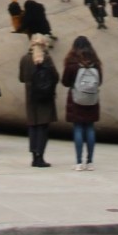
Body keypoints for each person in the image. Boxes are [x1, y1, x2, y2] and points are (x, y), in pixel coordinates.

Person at [62, 34, 102, 171]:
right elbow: (100, 81)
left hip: (76, 99)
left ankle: (79, 162)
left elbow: (65, 82)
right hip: (92, 100)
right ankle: (90, 162)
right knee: (90, 128)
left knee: (78, 128)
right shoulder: (95, 63)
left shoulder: (72, 64)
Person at [19, 33, 59, 167]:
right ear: (44, 45)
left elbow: (21, 78)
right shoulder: (46, 59)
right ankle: (40, 156)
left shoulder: (25, 59)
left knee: (33, 126)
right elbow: (55, 77)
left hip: (31, 97)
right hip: (44, 97)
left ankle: (33, 156)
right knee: (43, 126)